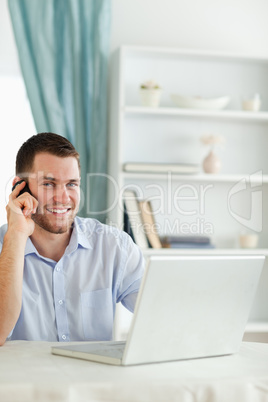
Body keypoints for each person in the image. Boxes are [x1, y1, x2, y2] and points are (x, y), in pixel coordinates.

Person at [0, 132, 144, 345]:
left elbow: (160, 314)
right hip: (26, 378)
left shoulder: (114, 246)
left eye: (71, 184)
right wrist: (17, 234)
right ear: (20, 188)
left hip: (94, 378)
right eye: (49, 184)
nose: (63, 198)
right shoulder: (5, 245)